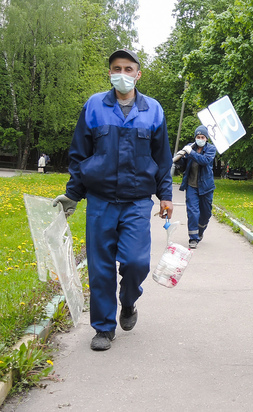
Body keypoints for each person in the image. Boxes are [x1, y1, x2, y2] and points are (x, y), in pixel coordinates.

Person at [52, 49, 173, 351]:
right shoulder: (94, 106)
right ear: (110, 73)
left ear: (138, 74)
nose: (123, 73)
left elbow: (162, 158)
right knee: (100, 266)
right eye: (117, 68)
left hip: (136, 201)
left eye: (128, 68)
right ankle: (104, 328)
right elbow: (80, 155)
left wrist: (166, 195)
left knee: (136, 262)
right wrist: (72, 194)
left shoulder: (154, 110)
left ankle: (129, 302)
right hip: (100, 200)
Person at [173, 125, 216, 249]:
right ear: (195, 137)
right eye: (198, 137)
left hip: (206, 187)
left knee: (205, 214)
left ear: (206, 138)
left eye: (202, 137)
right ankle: (193, 238)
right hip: (191, 186)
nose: (200, 139)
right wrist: (179, 157)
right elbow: (183, 163)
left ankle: (200, 232)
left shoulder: (211, 149)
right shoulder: (190, 147)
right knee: (193, 212)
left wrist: (190, 152)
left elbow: (204, 161)